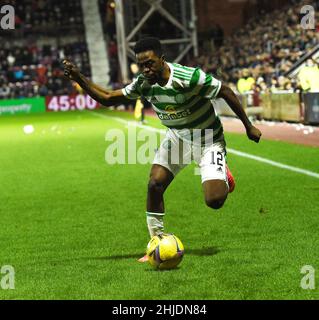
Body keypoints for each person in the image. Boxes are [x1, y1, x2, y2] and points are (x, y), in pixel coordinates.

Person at [62, 37, 262, 262]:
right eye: (141, 64)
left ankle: (223, 174)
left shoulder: (189, 77)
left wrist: (248, 125)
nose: (145, 69)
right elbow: (109, 98)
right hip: (177, 137)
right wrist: (79, 77)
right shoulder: (143, 83)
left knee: (214, 201)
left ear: (162, 60)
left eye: (150, 63)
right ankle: (155, 241)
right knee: (154, 184)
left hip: (207, 138)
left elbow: (224, 91)